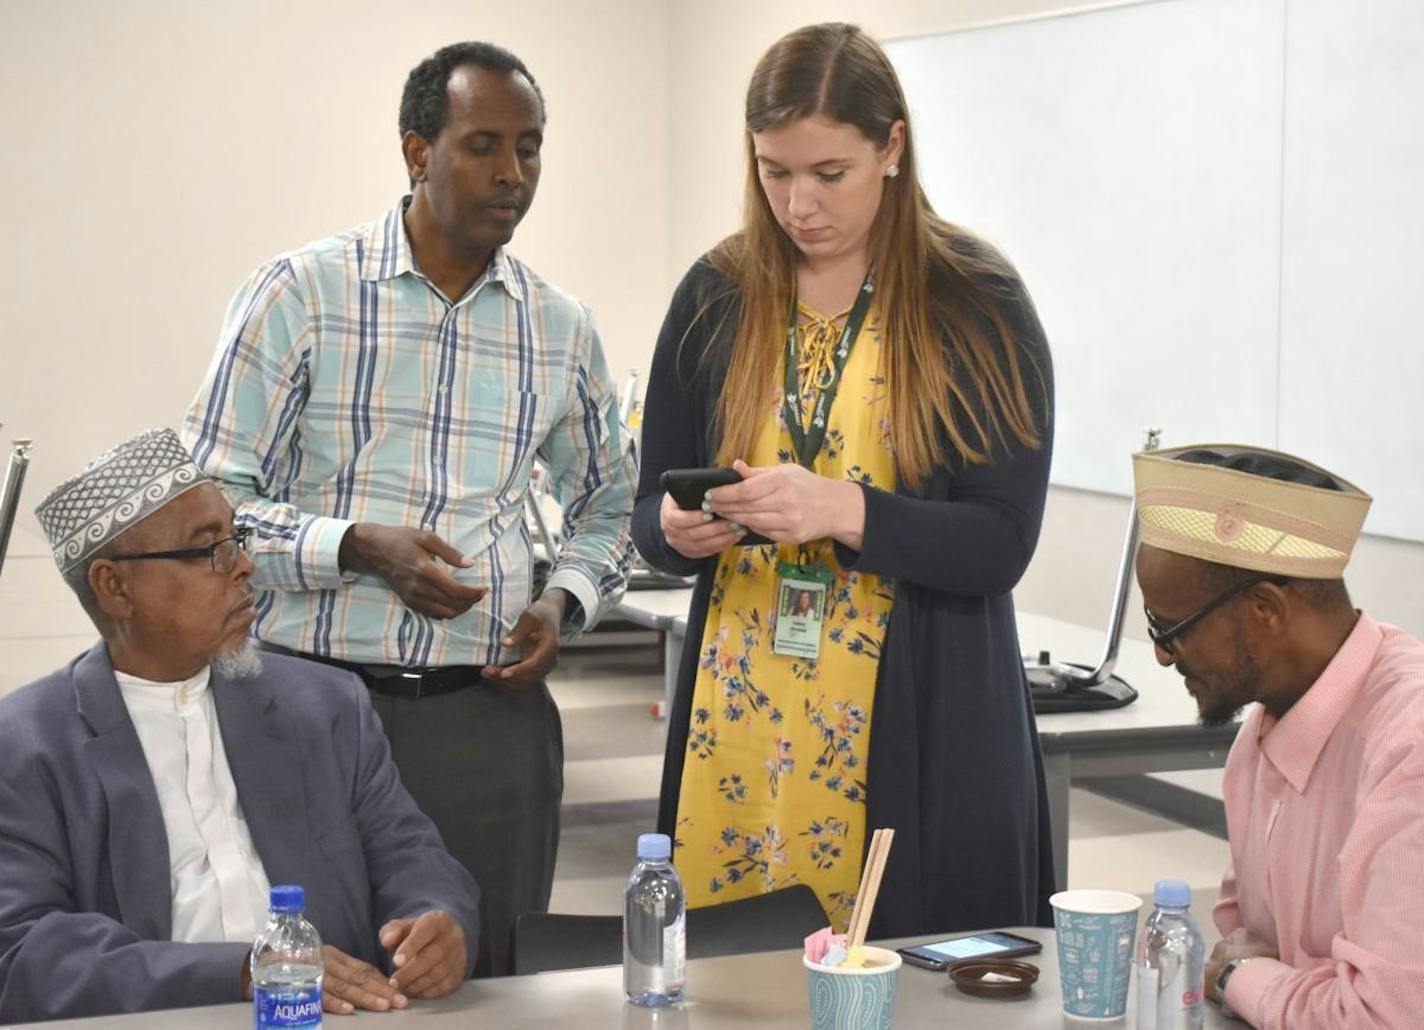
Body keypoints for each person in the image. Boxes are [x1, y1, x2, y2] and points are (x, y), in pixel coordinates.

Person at [181, 42, 636, 975]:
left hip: (488, 723)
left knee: (490, 976)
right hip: (306, 704)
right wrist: (354, 547)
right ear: (416, 151)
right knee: (310, 977)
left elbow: (611, 506)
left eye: (531, 147)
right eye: (483, 145)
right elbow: (208, 508)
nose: (513, 173)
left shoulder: (560, 330)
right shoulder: (301, 296)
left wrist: (565, 602)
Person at [632, 23, 1056, 936]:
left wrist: (849, 510)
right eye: (773, 172)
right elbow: (646, 511)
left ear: (892, 147)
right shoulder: (717, 291)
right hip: (739, 711)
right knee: (731, 973)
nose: (798, 204)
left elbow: (1001, 541)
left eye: (829, 173)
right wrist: (675, 533)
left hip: (916, 713)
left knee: (898, 974)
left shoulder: (973, 298)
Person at [0, 429, 480, 1023]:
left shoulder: (324, 705)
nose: (245, 566)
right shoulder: (27, 743)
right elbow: (21, 954)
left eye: (237, 539)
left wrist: (439, 919)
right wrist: (245, 972)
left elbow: (413, 856)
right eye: (211, 551)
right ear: (114, 587)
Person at [1132, 443, 1424, 1028]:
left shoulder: (1408, 747)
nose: (1163, 656)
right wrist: (1265, 978)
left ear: (1265, 609)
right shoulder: (1260, 734)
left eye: (1171, 630)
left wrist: (1246, 980)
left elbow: (1384, 1016)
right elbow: (1242, 936)